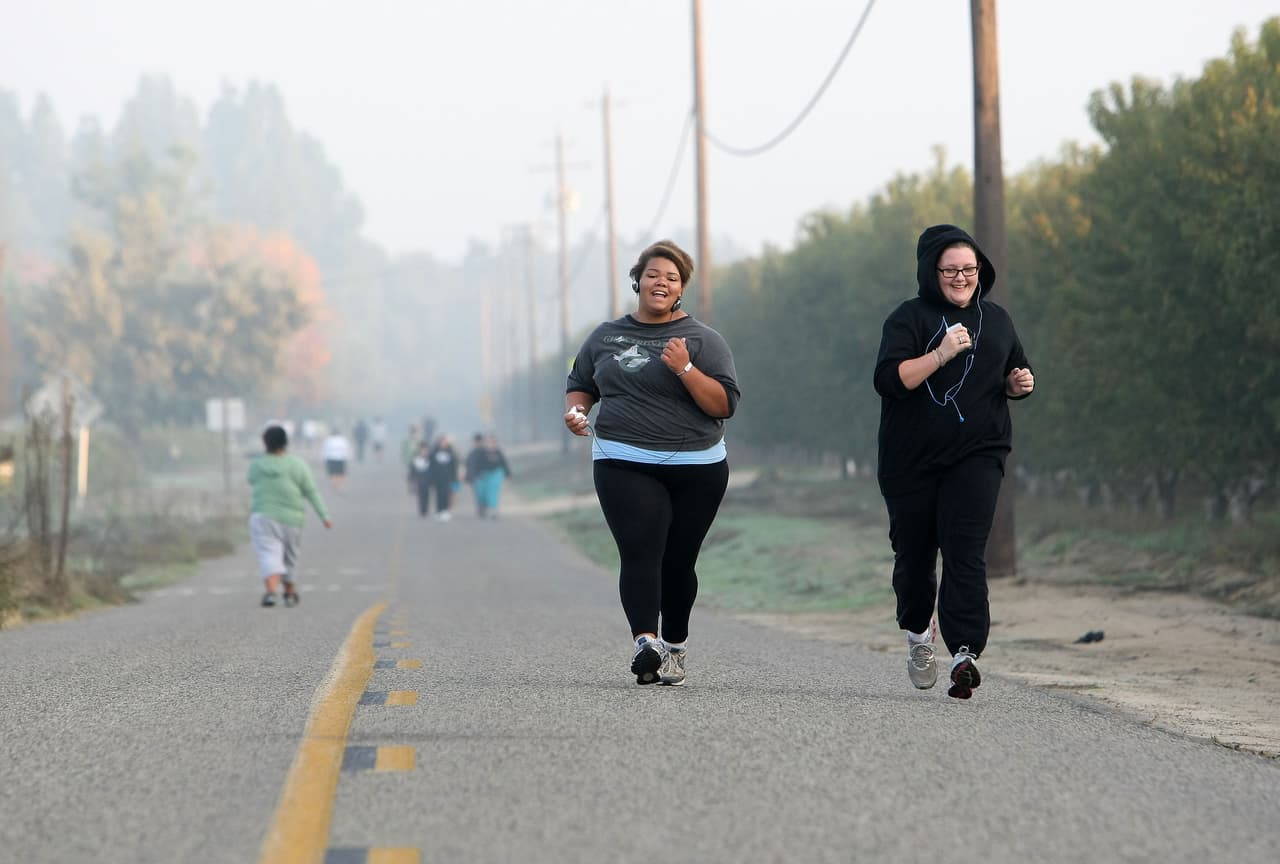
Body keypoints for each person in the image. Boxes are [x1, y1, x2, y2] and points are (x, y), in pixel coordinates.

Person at [564, 239, 741, 687]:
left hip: (698, 466)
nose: (661, 282)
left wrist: (685, 368)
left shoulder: (703, 340)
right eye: (654, 274)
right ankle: (646, 642)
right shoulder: (605, 336)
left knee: (679, 562)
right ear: (638, 281)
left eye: (672, 278)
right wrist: (578, 411)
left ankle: (675, 648)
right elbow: (581, 382)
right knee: (641, 549)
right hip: (622, 458)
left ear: (680, 289)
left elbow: (723, 405)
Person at [872, 224, 1035, 700]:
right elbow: (889, 380)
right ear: (931, 272)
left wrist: (1019, 384)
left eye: (969, 268)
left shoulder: (997, 320)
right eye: (951, 270)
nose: (962, 277)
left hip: (978, 454)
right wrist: (940, 354)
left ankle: (965, 652)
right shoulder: (908, 319)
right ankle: (920, 636)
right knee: (916, 556)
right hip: (911, 461)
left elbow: (1012, 371)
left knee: (965, 552)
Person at [247, 424, 332, 608]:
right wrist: (324, 515)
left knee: (268, 553)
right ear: (285, 442)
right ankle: (290, 593)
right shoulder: (297, 465)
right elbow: (311, 491)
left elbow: (251, 480)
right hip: (292, 518)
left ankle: (271, 591)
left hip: (263, 516)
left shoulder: (256, 464)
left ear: (265, 443)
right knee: (290, 556)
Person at [470, 433, 512, 519]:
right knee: (482, 493)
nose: (491, 444)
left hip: (495, 474)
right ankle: (482, 508)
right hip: (483, 474)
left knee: (493, 492)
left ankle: (493, 511)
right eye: (489, 442)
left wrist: (508, 474)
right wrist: (475, 474)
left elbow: (504, 463)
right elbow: (476, 464)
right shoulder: (481, 452)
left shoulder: (498, 452)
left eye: (492, 442)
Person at [425, 434, 459, 521]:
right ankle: (438, 511)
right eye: (441, 442)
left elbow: (454, 466)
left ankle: (446, 511)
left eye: (445, 442)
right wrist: (430, 478)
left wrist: (454, 477)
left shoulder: (451, 453)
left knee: (446, 495)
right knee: (438, 495)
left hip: (447, 478)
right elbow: (430, 465)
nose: (443, 443)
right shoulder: (434, 453)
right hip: (437, 478)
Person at [321, 425, 352, 491]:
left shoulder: (328, 440)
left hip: (331, 458)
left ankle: (334, 484)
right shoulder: (343, 440)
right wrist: (348, 457)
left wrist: (324, 458)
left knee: (333, 473)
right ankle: (338, 484)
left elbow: (324, 450)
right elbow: (346, 449)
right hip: (341, 458)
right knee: (340, 473)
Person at [407, 441, 433, 517]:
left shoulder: (430, 458)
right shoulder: (415, 458)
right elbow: (412, 470)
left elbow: (433, 469)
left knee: (427, 495)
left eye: (425, 449)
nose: (424, 451)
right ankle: (422, 510)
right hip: (419, 480)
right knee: (420, 496)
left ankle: (426, 510)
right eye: (422, 449)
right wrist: (411, 480)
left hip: (428, 480)